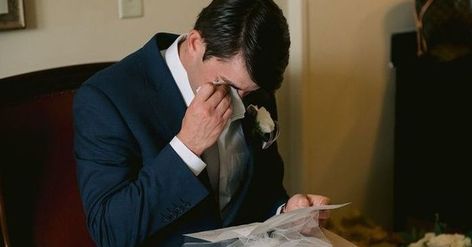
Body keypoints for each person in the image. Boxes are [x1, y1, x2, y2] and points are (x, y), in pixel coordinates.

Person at [73, 0, 329, 246]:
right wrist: (188, 147)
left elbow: (263, 187)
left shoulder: (252, 86)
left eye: (249, 93)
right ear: (195, 43)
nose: (239, 103)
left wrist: (285, 213)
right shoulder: (106, 99)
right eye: (227, 85)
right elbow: (109, 232)